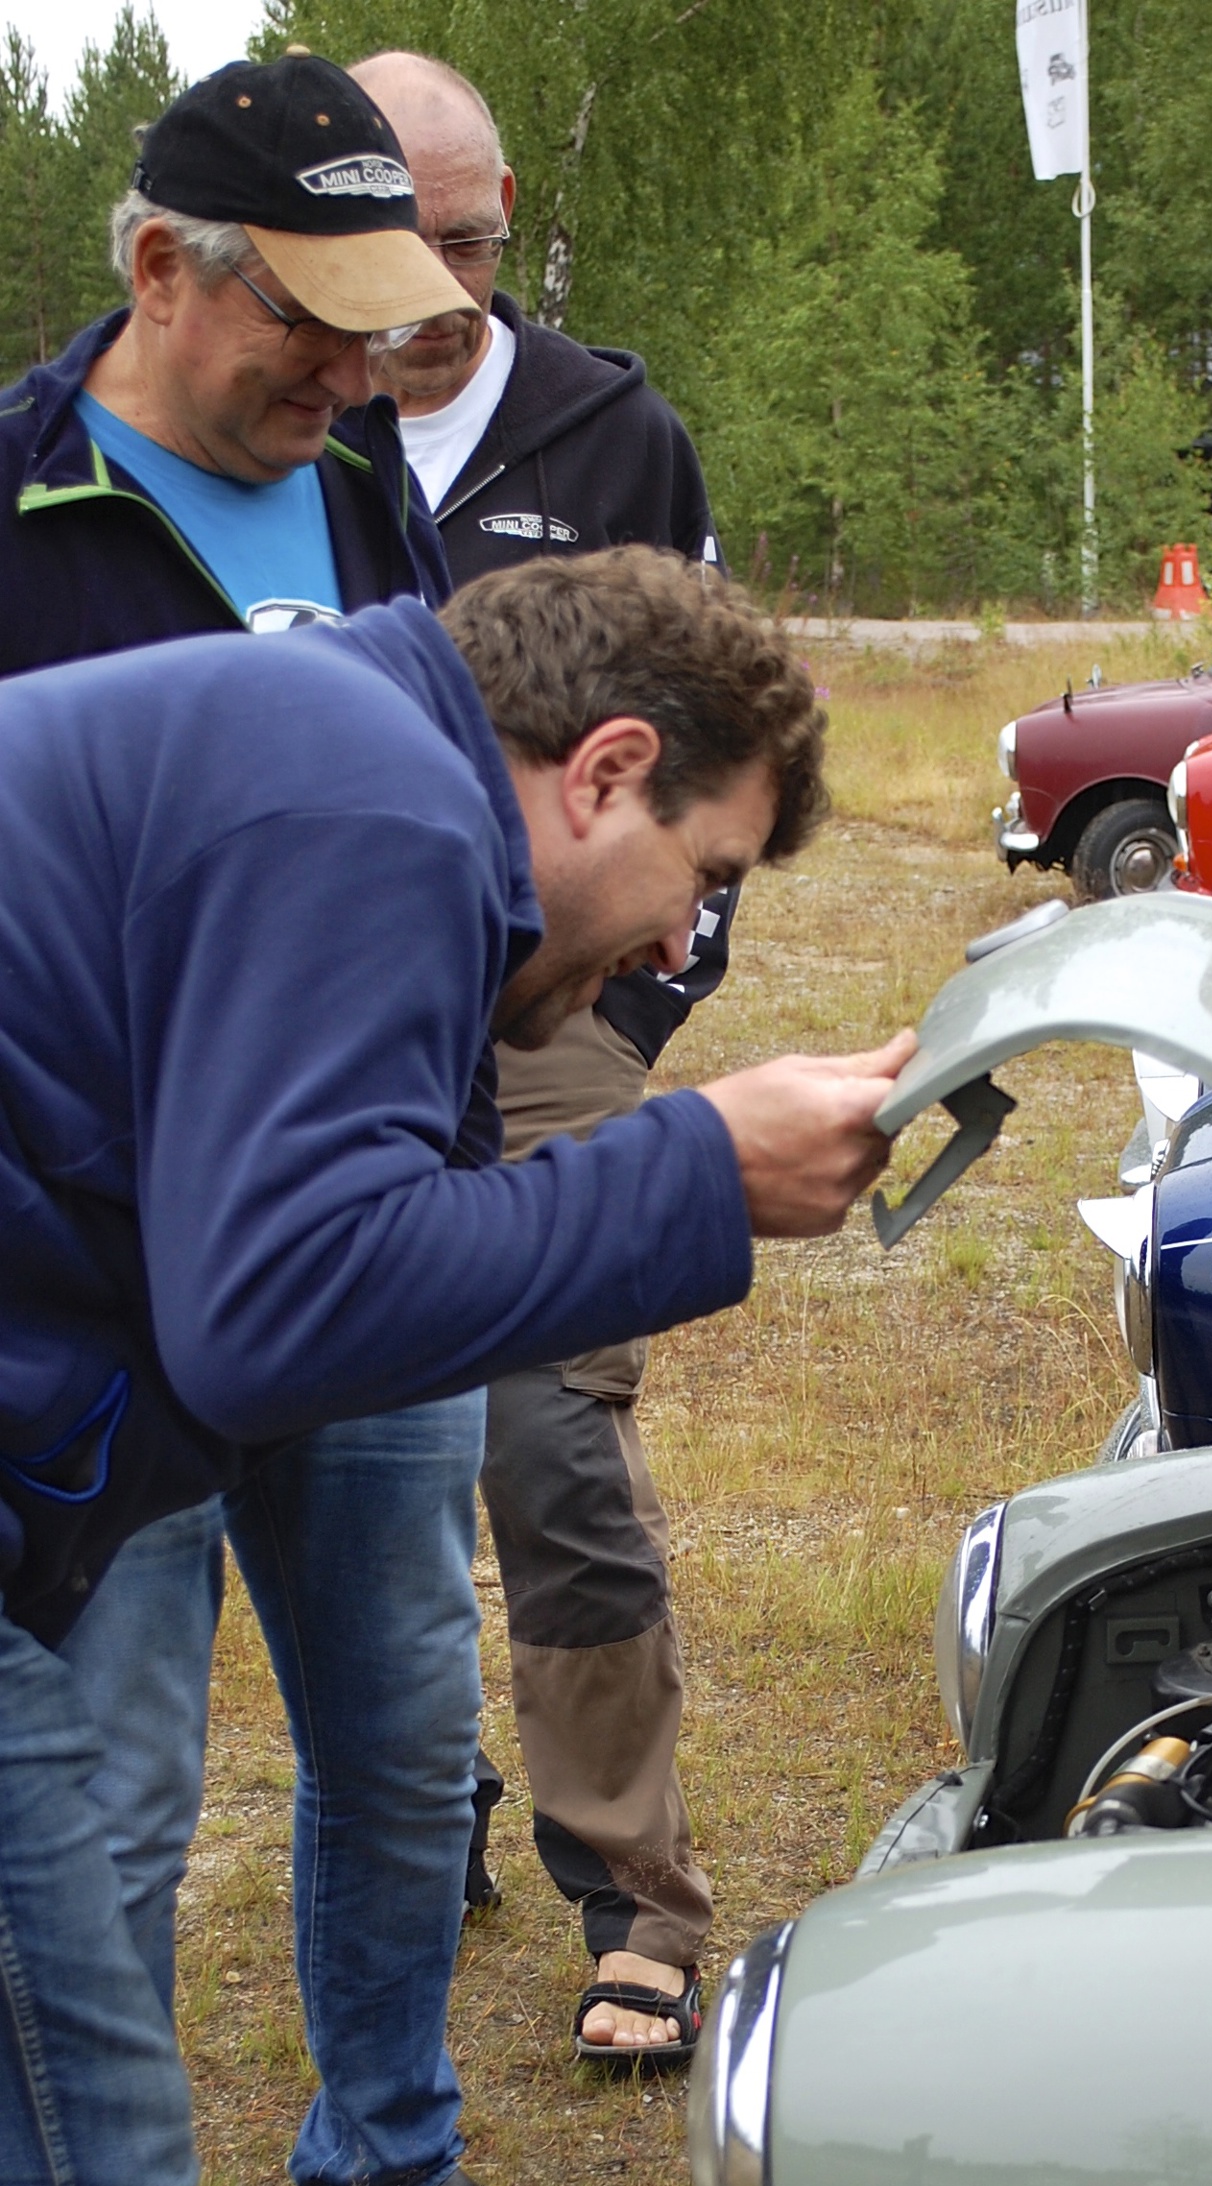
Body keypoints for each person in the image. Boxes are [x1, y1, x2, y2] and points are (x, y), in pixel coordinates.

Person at [0, 539, 908, 2186]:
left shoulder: (335, 752)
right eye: (696, 880)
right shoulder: (375, 805)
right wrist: (693, 1168)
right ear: (607, 769)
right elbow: (278, 1308)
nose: (674, 951)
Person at [0, 50, 610, 2186]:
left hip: (371, 1234)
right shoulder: (21, 497)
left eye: (386, 326)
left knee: (401, 1728)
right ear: (162, 267)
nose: (355, 373)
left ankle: (384, 2160)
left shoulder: (358, 489)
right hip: (112, 1303)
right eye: (309, 324)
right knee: (116, 1798)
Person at [352, 48, 728, 2067]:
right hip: (329, 1013)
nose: (439, 293)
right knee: (351, 1434)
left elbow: (721, 717)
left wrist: (644, 991)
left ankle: (633, 1880)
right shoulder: (287, 432)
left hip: (560, 1000)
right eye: (401, 248)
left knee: (550, 1429)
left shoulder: (611, 435)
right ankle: (426, 1805)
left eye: (476, 244)